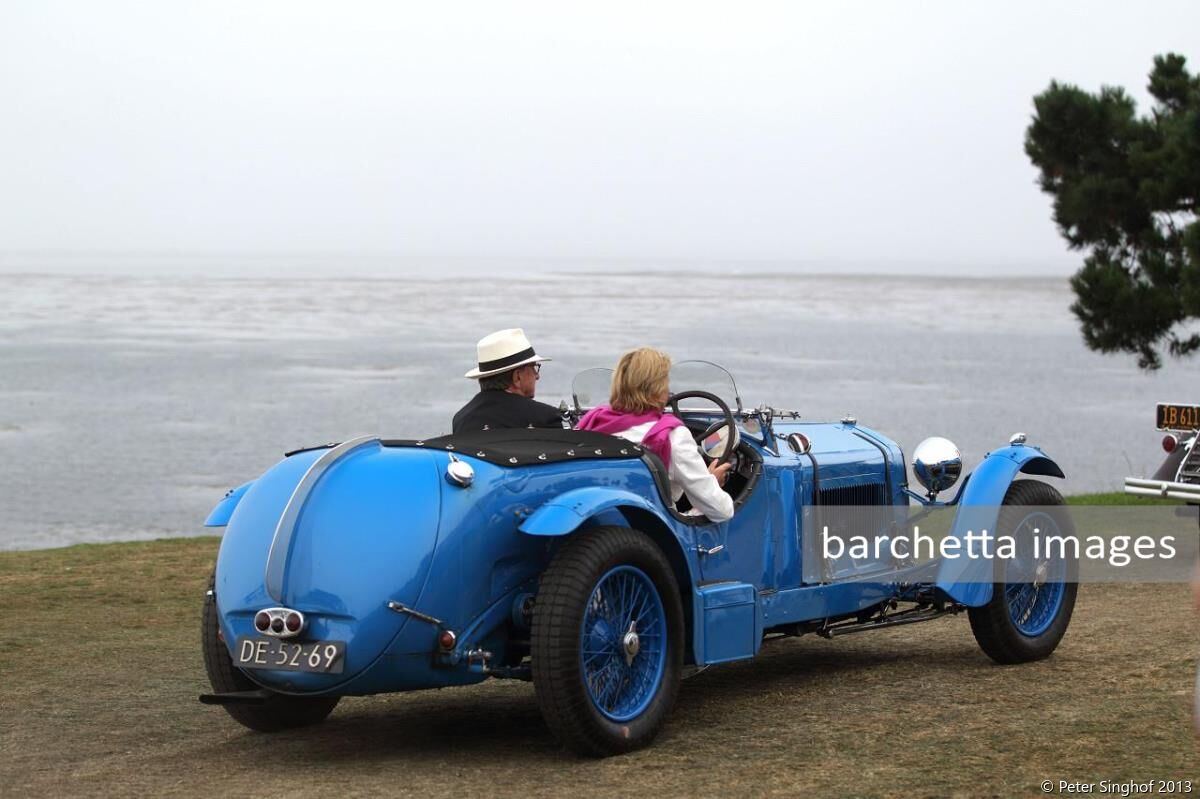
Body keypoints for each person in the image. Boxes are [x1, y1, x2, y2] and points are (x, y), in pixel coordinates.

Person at [577, 347, 734, 522]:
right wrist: (712, 482)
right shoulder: (672, 436)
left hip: (594, 522)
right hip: (651, 527)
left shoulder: (591, 422)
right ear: (658, 389)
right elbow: (721, 511)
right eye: (666, 383)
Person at [452, 328, 564, 434]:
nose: (537, 376)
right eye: (534, 368)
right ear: (517, 377)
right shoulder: (545, 418)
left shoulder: (461, 419)